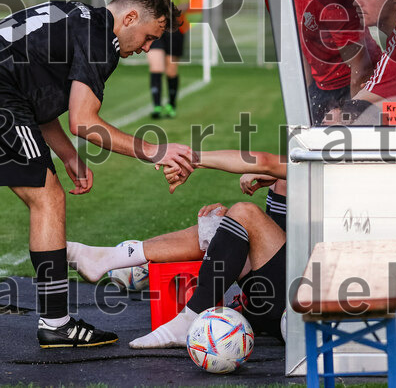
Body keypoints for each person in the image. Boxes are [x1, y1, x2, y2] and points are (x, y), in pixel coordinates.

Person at [0, 0, 195, 347]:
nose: (147, 48)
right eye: (149, 36)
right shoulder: (101, 39)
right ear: (130, 16)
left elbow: (35, 92)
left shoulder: (76, 14)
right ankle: (56, 322)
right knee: (48, 197)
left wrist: (67, 154)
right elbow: (84, 121)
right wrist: (156, 151)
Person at [87, 149, 287, 349]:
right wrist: (232, 225)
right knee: (221, 221)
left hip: (295, 313)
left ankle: (190, 317)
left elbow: (263, 161)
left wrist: (188, 159)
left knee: (246, 212)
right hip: (268, 298)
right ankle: (113, 257)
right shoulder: (293, 168)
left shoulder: (312, 160)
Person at [282, 0, 378, 122]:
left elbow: (361, 66)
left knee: (355, 150)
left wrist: (349, 115)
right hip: (322, 86)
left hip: (355, 85)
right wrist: (308, 96)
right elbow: (301, 49)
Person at [144, 0, 189, 118]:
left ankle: (171, 105)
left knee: (171, 70)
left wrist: (170, 13)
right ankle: (156, 107)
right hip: (155, 29)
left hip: (174, 28)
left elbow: (185, 2)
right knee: (156, 66)